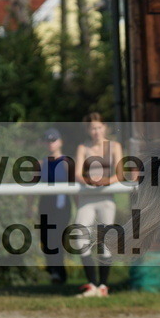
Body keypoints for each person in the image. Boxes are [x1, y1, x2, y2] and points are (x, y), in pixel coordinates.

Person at [73, 113, 123, 298]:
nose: (96, 131)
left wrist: (106, 181)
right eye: (92, 128)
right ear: (88, 130)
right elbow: (77, 173)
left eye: (99, 127)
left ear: (104, 127)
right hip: (87, 196)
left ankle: (103, 286)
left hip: (105, 197)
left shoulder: (114, 146)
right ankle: (91, 284)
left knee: (104, 240)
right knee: (79, 237)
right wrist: (88, 181)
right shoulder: (82, 147)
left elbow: (120, 173)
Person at [36, 128, 72, 284]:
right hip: (46, 203)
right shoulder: (41, 164)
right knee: (45, 238)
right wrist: (28, 208)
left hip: (61, 204)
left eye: (54, 140)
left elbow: (74, 187)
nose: (51, 144)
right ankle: (52, 270)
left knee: (56, 237)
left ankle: (59, 272)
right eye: (48, 141)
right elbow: (31, 187)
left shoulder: (66, 163)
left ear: (60, 142)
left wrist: (79, 206)